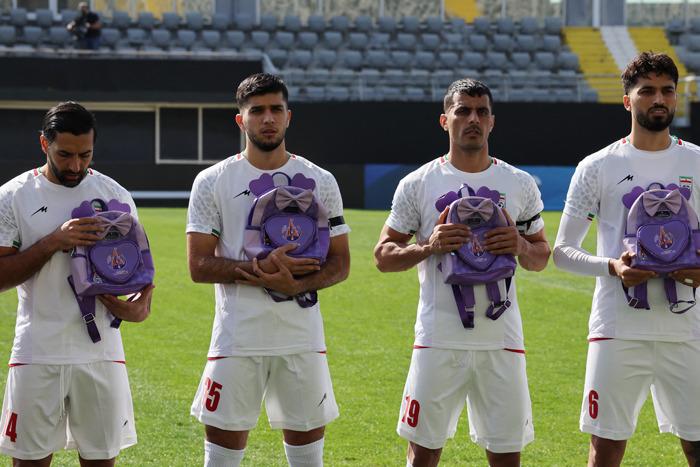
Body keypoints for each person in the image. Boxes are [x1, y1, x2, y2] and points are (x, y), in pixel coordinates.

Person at [374, 78, 550, 467]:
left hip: (501, 340)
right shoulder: (418, 183)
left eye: (482, 112)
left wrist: (521, 245)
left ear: (492, 122)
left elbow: (541, 256)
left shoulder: (518, 183)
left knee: (506, 454)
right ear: (445, 120)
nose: (473, 119)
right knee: (423, 452)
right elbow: (383, 255)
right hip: (438, 338)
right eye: (463, 111)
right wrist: (427, 247)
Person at [187, 73, 350, 467]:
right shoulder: (212, 181)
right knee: (221, 460)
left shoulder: (320, 180)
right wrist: (262, 270)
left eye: (276, 109)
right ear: (240, 120)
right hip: (236, 340)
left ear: (288, 116)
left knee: (308, 461)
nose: (268, 118)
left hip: (301, 339)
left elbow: (341, 263)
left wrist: (295, 285)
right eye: (257, 110)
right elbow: (199, 265)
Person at [553, 52, 700, 466]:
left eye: (667, 90)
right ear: (627, 100)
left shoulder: (697, 161)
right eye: (647, 91)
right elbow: (562, 251)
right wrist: (612, 267)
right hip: (618, 330)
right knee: (606, 448)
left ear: (676, 98)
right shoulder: (597, 166)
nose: (659, 99)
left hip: (689, 330)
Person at [0, 101, 154, 466]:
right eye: (64, 155)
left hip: (101, 354)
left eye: (85, 155)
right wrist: (54, 242)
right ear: (44, 143)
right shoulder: (13, 196)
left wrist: (138, 307)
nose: (75, 166)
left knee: (101, 460)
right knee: (29, 460)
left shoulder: (115, 195)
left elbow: (140, 277)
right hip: (38, 352)